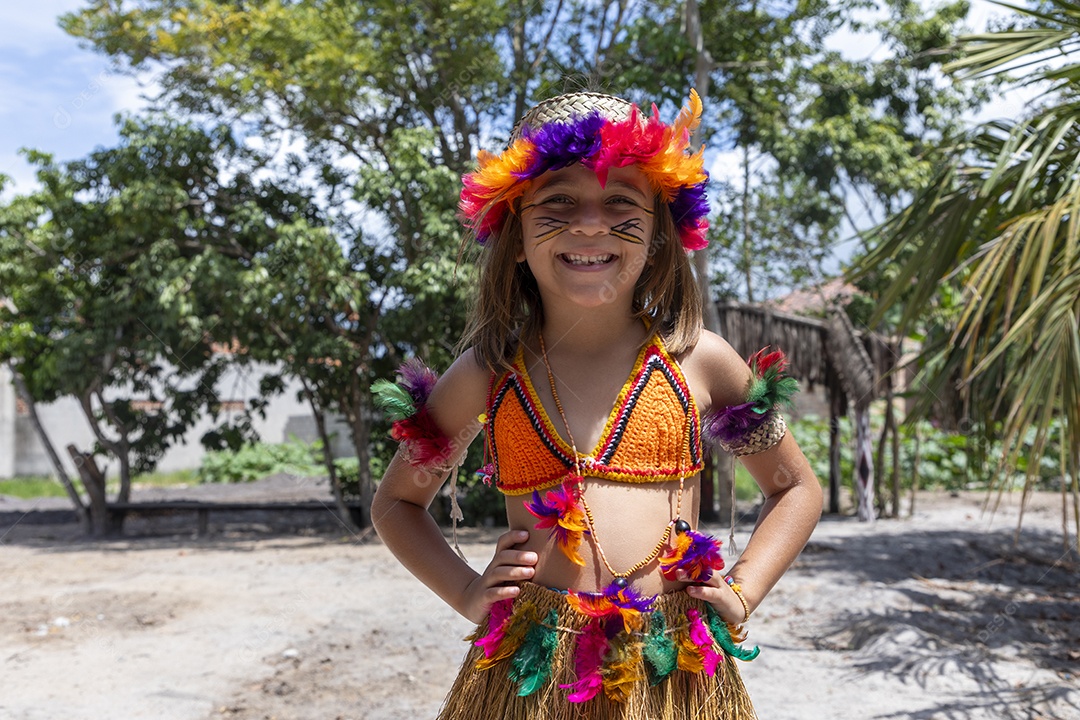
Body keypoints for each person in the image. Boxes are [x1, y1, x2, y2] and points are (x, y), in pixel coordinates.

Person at [371, 89, 823, 719]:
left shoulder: (700, 359)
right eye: (557, 202)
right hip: (532, 671)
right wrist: (469, 591)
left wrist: (743, 593)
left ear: (660, 234)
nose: (589, 223)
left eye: (621, 203)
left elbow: (795, 488)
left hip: (674, 669)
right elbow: (397, 502)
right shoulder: (490, 372)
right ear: (518, 237)